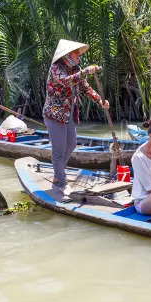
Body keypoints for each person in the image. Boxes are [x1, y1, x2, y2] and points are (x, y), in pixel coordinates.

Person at [42, 39, 109, 193]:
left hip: (69, 113)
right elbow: (66, 81)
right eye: (76, 53)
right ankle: (60, 181)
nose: (79, 55)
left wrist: (101, 101)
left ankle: (59, 174)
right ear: (67, 56)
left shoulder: (75, 69)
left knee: (71, 144)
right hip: (55, 114)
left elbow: (85, 87)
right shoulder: (56, 68)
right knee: (58, 150)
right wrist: (85, 71)